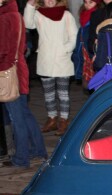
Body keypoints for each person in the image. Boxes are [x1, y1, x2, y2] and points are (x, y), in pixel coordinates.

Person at [0, 0, 48, 168]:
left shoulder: (6, 17)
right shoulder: (14, 15)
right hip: (18, 71)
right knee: (25, 114)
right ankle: (38, 150)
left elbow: (4, 51)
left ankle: (21, 158)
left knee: (17, 117)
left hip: (9, 74)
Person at [24, 0, 78, 136]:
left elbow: (74, 36)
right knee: (48, 94)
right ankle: (52, 119)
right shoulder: (38, 14)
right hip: (45, 59)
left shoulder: (66, 15)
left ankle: (64, 120)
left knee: (63, 94)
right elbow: (27, 24)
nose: (50, 1)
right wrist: (29, 5)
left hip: (63, 60)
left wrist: (66, 50)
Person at [72, 0, 102, 85]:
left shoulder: (99, 17)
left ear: (97, 3)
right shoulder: (84, 18)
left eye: (91, 2)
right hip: (85, 58)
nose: (87, 5)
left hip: (93, 56)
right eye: (85, 2)